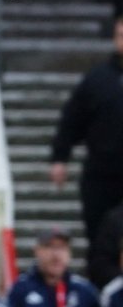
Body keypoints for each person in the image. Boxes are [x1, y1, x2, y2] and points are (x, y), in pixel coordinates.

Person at [50, 14, 123, 262]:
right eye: (121, 35)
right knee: (100, 237)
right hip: (102, 176)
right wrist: (60, 157)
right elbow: (72, 119)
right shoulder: (97, 79)